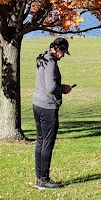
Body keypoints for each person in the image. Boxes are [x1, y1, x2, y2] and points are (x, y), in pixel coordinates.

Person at [32, 36, 74, 189]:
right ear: (58, 50)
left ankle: (39, 176)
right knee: (47, 143)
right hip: (47, 107)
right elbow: (51, 87)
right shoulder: (50, 63)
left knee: (41, 141)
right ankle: (44, 179)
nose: (63, 56)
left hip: (37, 104)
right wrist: (64, 89)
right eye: (63, 52)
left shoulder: (42, 58)